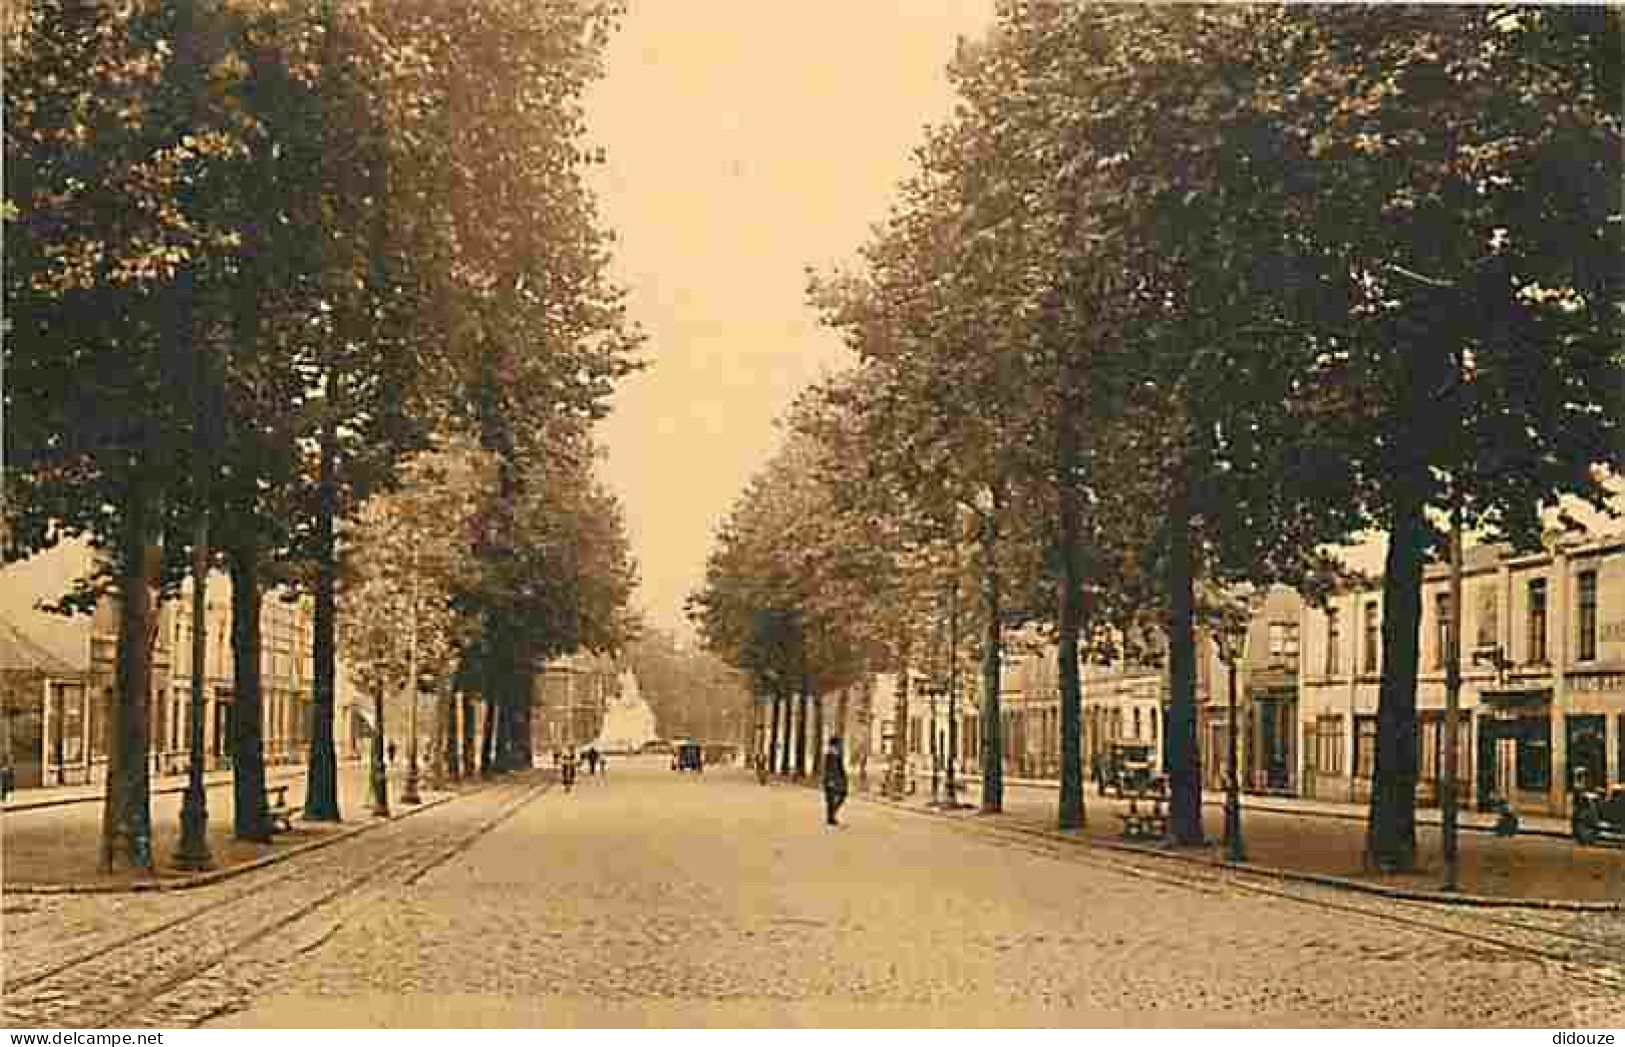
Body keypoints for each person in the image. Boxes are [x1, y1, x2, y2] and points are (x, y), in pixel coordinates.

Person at [823, 736, 848, 827]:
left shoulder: (837, 754)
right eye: (839, 743)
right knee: (831, 799)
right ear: (835, 744)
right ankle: (831, 818)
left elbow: (840, 768)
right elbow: (828, 769)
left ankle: (831, 816)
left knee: (842, 794)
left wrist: (844, 779)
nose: (840, 745)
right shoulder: (830, 754)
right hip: (832, 780)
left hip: (838, 780)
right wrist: (830, 780)